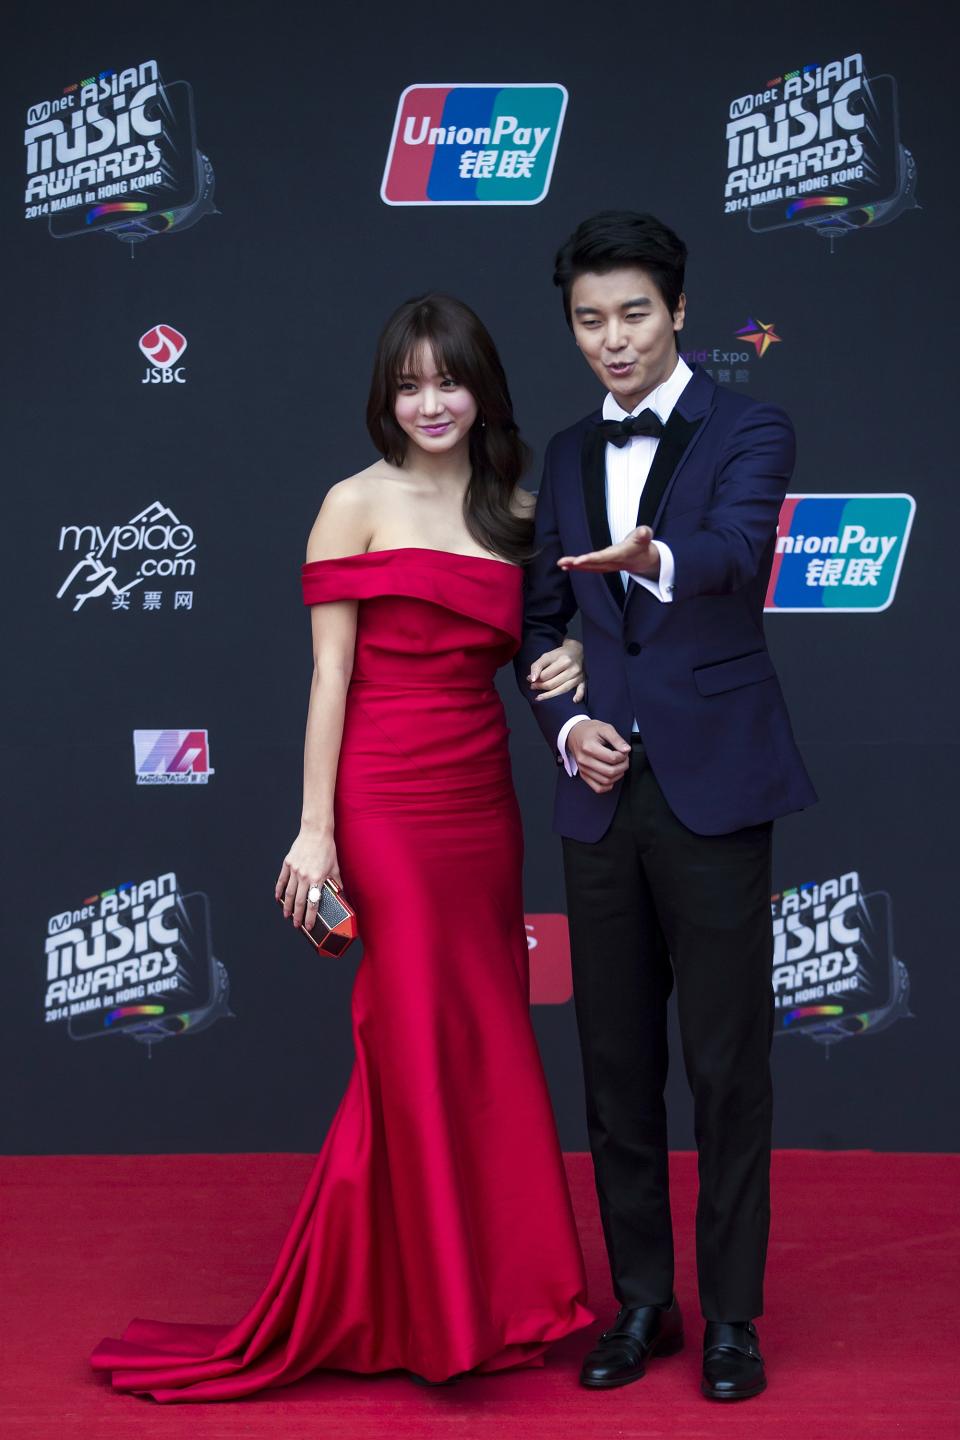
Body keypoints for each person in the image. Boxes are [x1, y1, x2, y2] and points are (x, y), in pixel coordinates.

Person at [90, 294, 593, 1401]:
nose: (429, 403)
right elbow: (332, 677)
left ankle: (489, 1290)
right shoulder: (350, 504)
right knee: (406, 1033)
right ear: (385, 395)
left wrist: (566, 672)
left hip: (480, 801)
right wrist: (315, 830)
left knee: (482, 1034)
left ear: (481, 389)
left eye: (448, 381)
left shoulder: (520, 508)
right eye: (408, 385)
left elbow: (545, 649)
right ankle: (436, 1307)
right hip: (384, 798)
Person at [516, 211, 817, 1402]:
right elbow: (543, 624)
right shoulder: (564, 449)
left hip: (715, 784)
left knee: (728, 1064)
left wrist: (652, 558)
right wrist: (564, 723)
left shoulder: (752, 426)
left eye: (634, 313)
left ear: (679, 311)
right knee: (614, 1065)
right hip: (600, 796)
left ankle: (733, 1316)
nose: (613, 341)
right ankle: (644, 1302)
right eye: (590, 321)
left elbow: (737, 552)